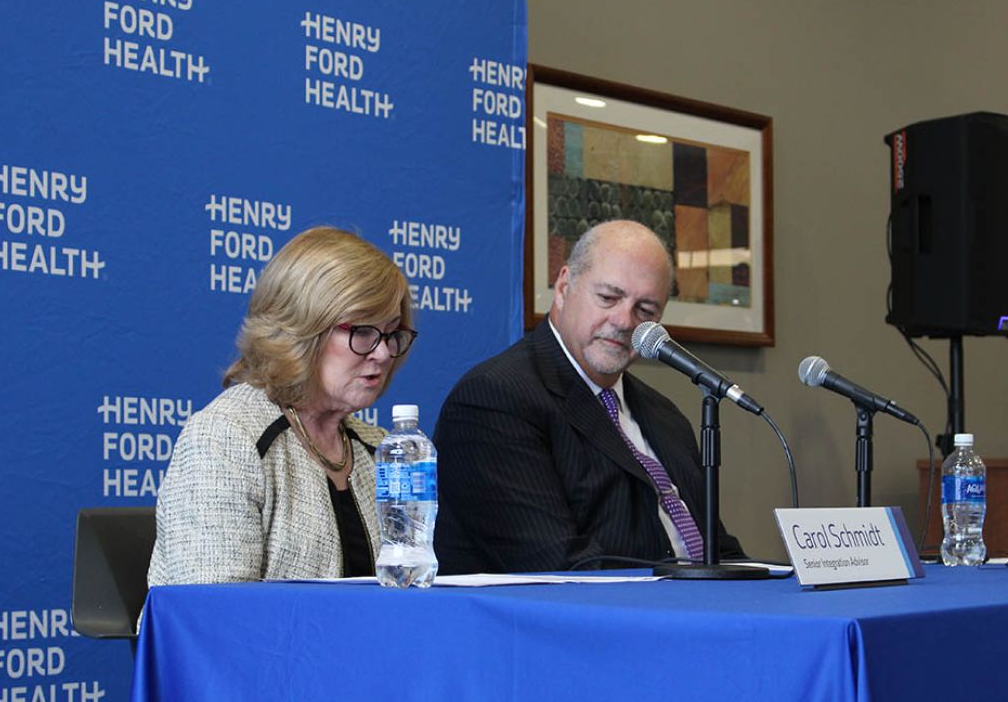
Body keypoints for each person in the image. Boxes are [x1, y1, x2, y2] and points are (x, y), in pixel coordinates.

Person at [433, 220, 745, 573]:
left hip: (703, 613)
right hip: (597, 620)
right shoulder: (495, 400)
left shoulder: (664, 415)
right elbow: (556, 564)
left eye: (646, 311)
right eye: (608, 298)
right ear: (564, 286)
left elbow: (719, 552)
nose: (625, 320)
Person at [148, 227, 415, 585]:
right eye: (363, 331)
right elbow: (213, 618)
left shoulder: (378, 448)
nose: (383, 353)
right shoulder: (225, 438)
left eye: (391, 332)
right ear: (303, 329)